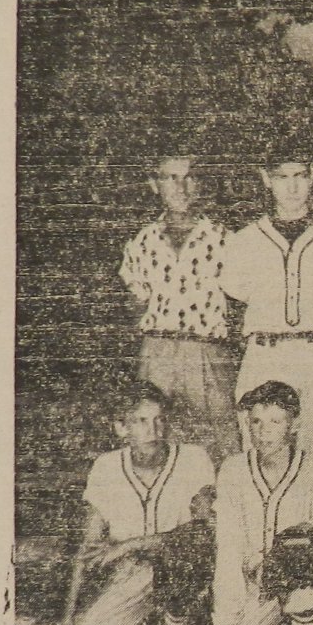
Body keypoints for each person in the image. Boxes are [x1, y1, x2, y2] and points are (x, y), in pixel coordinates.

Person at [219, 144, 313, 484]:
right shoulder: (244, 242)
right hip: (265, 354)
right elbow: (235, 299)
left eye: (300, 175)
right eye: (282, 177)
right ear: (265, 179)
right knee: (262, 456)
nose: (293, 186)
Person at [52, 383, 216, 625]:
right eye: (141, 421)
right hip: (130, 575)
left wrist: (130, 544)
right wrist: (67, 622)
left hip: (183, 573)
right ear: (121, 427)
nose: (153, 430)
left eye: (159, 419)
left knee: (184, 553)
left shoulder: (193, 458)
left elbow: (205, 532)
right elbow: (87, 550)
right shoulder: (106, 466)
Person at [208, 381, 313, 625]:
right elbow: (228, 547)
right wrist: (225, 620)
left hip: (301, 582)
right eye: (255, 422)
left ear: (294, 424)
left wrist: (291, 556)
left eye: (275, 421)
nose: (263, 431)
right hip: (254, 586)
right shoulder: (233, 471)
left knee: (300, 553)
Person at [119, 153, 238, 463]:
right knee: (157, 436)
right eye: (170, 177)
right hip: (158, 351)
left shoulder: (226, 238)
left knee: (219, 437)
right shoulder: (141, 242)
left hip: (206, 351)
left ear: (199, 184)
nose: (180, 187)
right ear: (154, 183)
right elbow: (136, 302)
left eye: (188, 177)